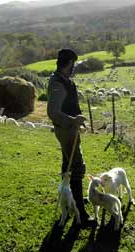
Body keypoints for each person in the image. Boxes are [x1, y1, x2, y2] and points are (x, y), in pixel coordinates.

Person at [47, 48, 94, 227]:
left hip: (70, 128)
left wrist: (76, 119)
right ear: (67, 64)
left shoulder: (63, 79)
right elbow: (53, 112)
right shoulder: (57, 83)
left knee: (67, 164)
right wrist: (73, 120)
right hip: (66, 130)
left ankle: (70, 199)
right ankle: (80, 213)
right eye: (73, 63)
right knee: (76, 166)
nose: (74, 67)